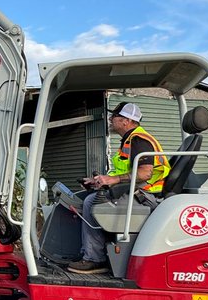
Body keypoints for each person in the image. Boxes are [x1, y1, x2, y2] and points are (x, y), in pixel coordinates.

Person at [69, 101, 169, 274]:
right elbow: (123, 173)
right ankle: (93, 254)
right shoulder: (129, 141)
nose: (110, 119)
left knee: (92, 203)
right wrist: (99, 180)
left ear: (126, 121)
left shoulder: (139, 140)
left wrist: (113, 179)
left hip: (145, 197)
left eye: (115, 116)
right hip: (136, 192)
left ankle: (94, 259)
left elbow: (145, 173)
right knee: (90, 199)